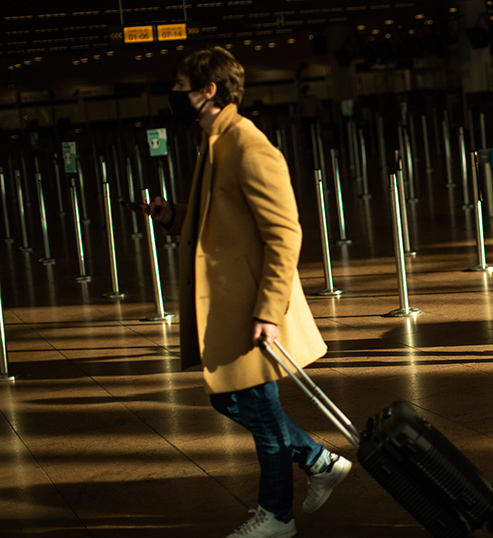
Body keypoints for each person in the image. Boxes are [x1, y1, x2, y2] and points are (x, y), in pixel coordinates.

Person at [144, 46, 351, 538]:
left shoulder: (246, 144)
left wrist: (268, 312)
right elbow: (222, 221)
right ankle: (320, 461)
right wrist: (173, 216)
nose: (173, 96)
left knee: (256, 406)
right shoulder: (214, 141)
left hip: (251, 308)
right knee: (228, 400)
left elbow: (285, 233)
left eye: (179, 87)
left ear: (206, 90)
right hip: (232, 306)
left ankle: (277, 514)